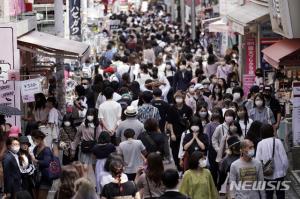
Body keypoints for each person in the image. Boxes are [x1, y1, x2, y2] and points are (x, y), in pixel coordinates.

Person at [256, 124, 288, 199]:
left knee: (268, 194)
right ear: (272, 131)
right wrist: (284, 170)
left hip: (267, 174)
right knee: (280, 194)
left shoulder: (260, 144)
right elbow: (284, 158)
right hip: (279, 174)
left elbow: (258, 160)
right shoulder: (278, 142)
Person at [166, 91, 193, 170]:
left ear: (183, 98)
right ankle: (178, 167)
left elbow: (190, 121)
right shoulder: (171, 108)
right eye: (177, 97)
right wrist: (172, 133)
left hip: (185, 133)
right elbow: (169, 122)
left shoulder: (188, 109)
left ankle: (184, 167)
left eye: (180, 97)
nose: (178, 99)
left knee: (184, 150)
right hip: (175, 133)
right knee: (175, 151)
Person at [31, 130, 54, 199]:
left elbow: (47, 162)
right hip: (37, 177)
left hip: (45, 178)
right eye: (32, 140)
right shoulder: (35, 148)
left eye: (34, 139)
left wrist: (36, 161)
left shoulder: (47, 150)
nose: (33, 141)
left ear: (40, 139)